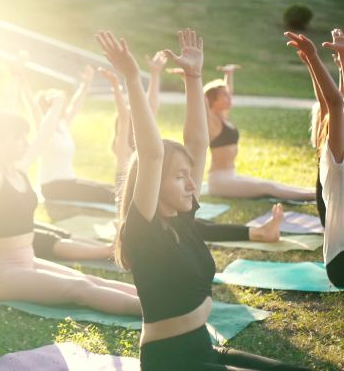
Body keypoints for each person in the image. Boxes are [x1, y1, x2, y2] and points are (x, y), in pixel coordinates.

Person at [98, 27, 309, 370]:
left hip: (204, 347)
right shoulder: (142, 231)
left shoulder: (181, 218)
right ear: (153, 184)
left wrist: (194, 77)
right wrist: (133, 80)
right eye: (179, 177)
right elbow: (151, 154)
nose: (192, 185)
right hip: (169, 362)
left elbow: (197, 143)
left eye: (189, 176)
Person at [0, 91, 141, 315]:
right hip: (3, 274)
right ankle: (158, 311)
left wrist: (57, 103)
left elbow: (44, 136)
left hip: (28, 260)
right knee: (80, 289)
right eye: (17, 138)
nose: (24, 143)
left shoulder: (18, 171)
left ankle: (159, 297)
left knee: (90, 280)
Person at [102, 60, 284, 244]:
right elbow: (128, 120)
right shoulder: (125, 151)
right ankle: (258, 233)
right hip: (138, 218)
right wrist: (125, 83)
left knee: (193, 224)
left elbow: (193, 141)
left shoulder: (153, 161)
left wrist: (165, 73)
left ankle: (258, 233)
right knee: (193, 224)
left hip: (159, 210)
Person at [11, 54, 117, 204]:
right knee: (108, 196)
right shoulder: (44, 126)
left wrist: (85, 84)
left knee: (111, 189)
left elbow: (75, 104)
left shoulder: (63, 125)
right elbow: (31, 102)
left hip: (69, 181)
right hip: (52, 187)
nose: (63, 105)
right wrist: (20, 73)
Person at [201, 64, 315, 200]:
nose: (229, 97)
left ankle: (315, 192)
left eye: (228, 94)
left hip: (231, 175)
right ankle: (314, 196)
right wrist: (190, 78)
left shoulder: (223, 118)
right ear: (212, 101)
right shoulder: (212, 122)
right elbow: (201, 101)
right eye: (224, 96)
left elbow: (228, 91)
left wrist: (228, 74)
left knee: (268, 183)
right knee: (267, 188)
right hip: (219, 182)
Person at [287, 29, 344, 287]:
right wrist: (313, 57)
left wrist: (341, 63)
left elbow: (330, 104)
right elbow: (334, 104)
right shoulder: (337, 160)